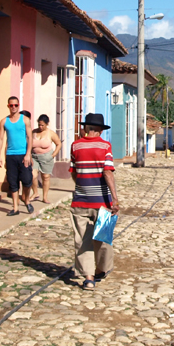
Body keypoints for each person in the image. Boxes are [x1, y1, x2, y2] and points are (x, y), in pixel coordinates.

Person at [70, 113, 120, 292]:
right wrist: (114, 198)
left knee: (82, 240)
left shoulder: (75, 146)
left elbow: (74, 172)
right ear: (99, 130)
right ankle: (101, 269)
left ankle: (88, 278)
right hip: (103, 202)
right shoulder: (105, 146)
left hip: (80, 201)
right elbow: (107, 172)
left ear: (86, 128)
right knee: (103, 239)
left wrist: (82, 187)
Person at [0, 96, 33, 215]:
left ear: (18, 106)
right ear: (8, 106)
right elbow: (1, 139)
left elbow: (30, 137)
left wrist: (28, 154)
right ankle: (16, 208)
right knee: (13, 182)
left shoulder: (25, 120)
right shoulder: (4, 121)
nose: (13, 107)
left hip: (23, 154)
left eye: (16, 105)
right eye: (11, 105)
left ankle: (26, 200)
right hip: (11, 155)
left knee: (27, 181)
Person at [31, 114, 62, 204]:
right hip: (34, 157)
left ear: (47, 124)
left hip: (46, 157)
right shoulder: (34, 132)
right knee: (32, 175)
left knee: (46, 177)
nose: (40, 127)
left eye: (42, 125)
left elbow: (58, 144)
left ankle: (45, 197)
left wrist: (53, 155)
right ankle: (35, 193)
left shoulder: (50, 133)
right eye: (39, 125)